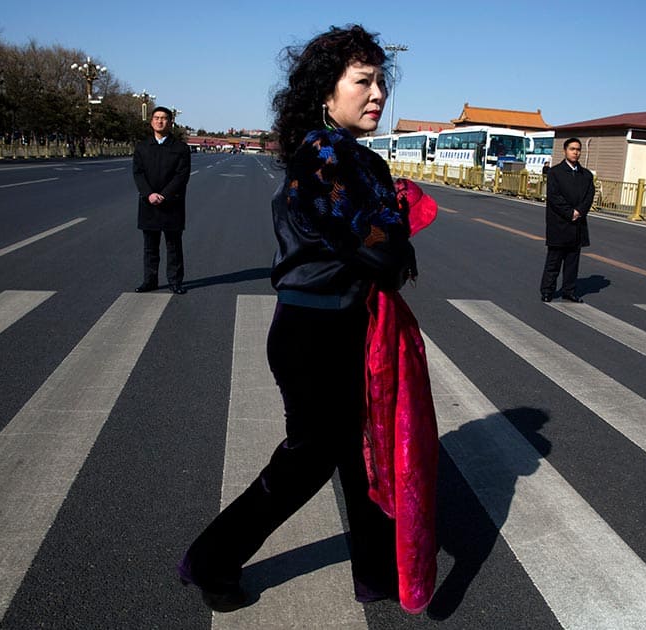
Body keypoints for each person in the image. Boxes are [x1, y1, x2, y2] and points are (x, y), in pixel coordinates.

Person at [178, 25, 420, 613]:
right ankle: (212, 558)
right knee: (309, 458)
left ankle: (376, 572)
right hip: (313, 332)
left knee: (360, 454)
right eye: (363, 81)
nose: (378, 94)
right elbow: (381, 249)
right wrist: (392, 228)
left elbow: (388, 247)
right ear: (325, 92)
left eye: (381, 82)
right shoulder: (323, 155)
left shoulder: (357, 160)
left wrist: (391, 229)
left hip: (349, 325)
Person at [132, 106, 191, 294]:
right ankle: (150, 281)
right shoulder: (142, 147)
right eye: (156, 118)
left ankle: (175, 282)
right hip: (148, 203)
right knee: (150, 247)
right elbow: (138, 173)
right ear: (151, 122)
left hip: (172, 204)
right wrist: (149, 194)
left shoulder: (180, 148)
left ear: (170, 122)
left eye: (164, 118)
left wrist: (164, 195)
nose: (160, 121)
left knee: (173, 246)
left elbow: (182, 176)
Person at [540, 137, 594, 303]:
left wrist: (579, 211)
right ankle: (547, 291)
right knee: (554, 261)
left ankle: (569, 291)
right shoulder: (555, 172)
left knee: (572, 261)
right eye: (572, 149)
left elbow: (589, 195)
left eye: (578, 149)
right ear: (565, 151)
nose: (575, 152)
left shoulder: (586, 175)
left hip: (577, 224)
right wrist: (570, 212)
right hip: (559, 223)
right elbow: (554, 198)